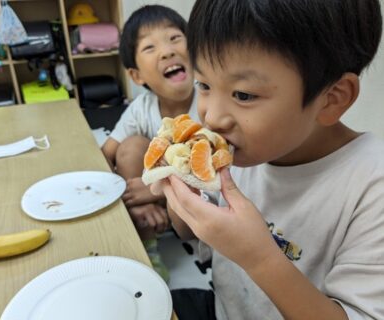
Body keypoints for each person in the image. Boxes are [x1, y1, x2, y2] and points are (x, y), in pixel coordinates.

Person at [151, 0, 384, 319]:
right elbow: (191, 233)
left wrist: (260, 258)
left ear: (332, 99)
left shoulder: (372, 186)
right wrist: (178, 191)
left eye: (243, 95)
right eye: (204, 85)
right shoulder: (237, 154)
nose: (213, 117)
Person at [101, 5, 198, 281]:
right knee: (130, 146)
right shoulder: (141, 108)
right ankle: (147, 245)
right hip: (152, 208)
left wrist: (156, 191)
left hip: (198, 202)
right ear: (136, 76)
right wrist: (136, 200)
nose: (167, 51)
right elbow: (105, 155)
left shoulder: (210, 102)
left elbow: (217, 170)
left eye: (175, 38)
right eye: (150, 47)